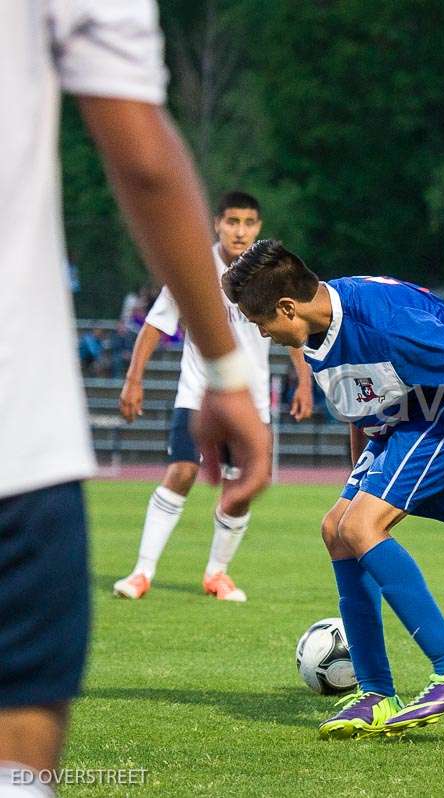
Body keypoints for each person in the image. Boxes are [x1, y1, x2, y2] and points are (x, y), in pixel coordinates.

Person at [1, 2, 270, 793]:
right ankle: (149, 568)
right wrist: (226, 378)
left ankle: (211, 572)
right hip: (16, 437)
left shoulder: (265, 268)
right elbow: (144, 160)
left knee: (212, 488)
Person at [222, 240, 444, 739]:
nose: (262, 332)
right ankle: (376, 695)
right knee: (337, 530)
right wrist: (355, 485)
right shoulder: (317, 329)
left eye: (260, 322)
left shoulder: (380, 321)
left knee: (361, 526)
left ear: (287, 307)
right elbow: (359, 404)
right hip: (402, 419)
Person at [112, 192, 312, 603]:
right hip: (198, 393)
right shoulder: (195, 266)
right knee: (182, 471)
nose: (240, 230)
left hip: (252, 401)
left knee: (240, 488)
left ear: (258, 226)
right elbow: (155, 326)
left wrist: (304, 382)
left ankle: (217, 574)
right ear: (217, 224)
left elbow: (293, 329)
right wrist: (134, 380)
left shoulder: (267, 274)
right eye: (232, 221)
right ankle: (141, 572)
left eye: (249, 222)